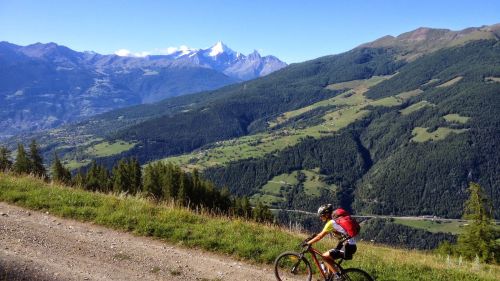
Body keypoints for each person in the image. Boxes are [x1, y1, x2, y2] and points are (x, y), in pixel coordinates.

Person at [305, 204, 357, 280]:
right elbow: (321, 234)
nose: (320, 218)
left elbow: (320, 236)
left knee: (324, 257)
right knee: (329, 257)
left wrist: (308, 243)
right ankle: (329, 278)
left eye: (321, 215)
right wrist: (312, 238)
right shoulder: (335, 221)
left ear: (326, 215)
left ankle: (338, 276)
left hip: (347, 247)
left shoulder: (331, 223)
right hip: (349, 245)